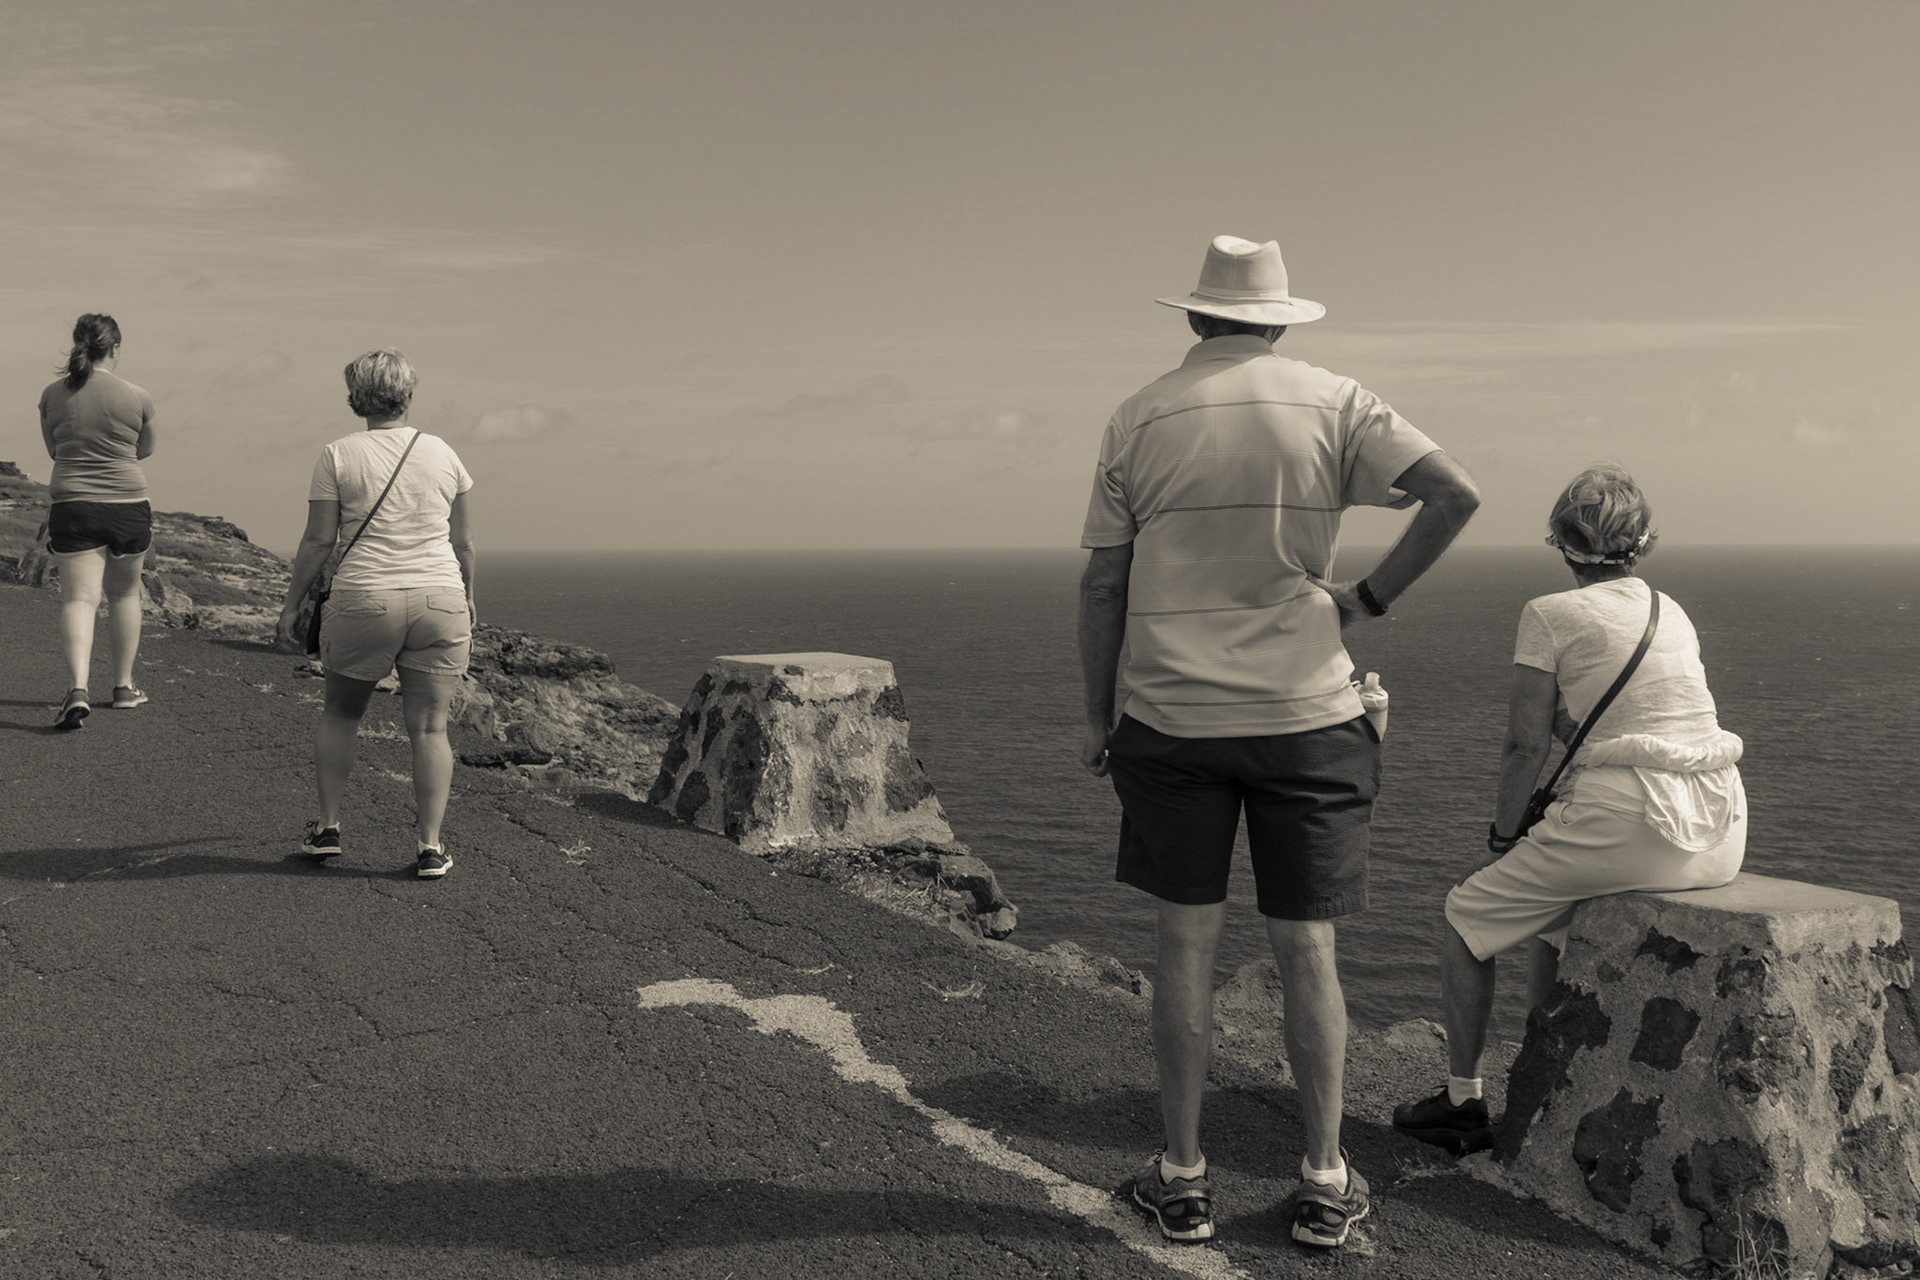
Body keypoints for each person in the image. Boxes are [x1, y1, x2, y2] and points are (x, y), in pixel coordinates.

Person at [1079, 235, 1481, 1249]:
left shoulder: (1139, 415)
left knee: (1185, 945)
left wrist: (1097, 714)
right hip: (1308, 718)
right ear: (1280, 319)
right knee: (1308, 947)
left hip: (1171, 718)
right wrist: (1368, 599)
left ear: (1194, 316)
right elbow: (1454, 493)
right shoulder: (1334, 401)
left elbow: (1104, 582)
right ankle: (1324, 1181)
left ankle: (1182, 1179)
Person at [1391, 465, 1745, 1155]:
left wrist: (1502, 836)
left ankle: (1463, 1102)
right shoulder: (1670, 609)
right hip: (1719, 824)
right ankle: (1543, 1082)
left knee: (1466, 916)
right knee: (1554, 919)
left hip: (1630, 818)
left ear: (1561, 541)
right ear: (1643, 543)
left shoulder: (1550, 614)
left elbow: (1525, 746)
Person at [274, 350, 476, 879]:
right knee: (430, 728)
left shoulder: (338, 454)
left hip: (365, 597)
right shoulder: (443, 452)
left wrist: (292, 606)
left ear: (355, 397)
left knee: (342, 714)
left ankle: (328, 828)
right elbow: (463, 543)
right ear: (408, 393)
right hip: (440, 598)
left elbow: (319, 540)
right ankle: (430, 847)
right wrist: (469, 596)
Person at [40, 313, 159, 729]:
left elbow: (54, 450)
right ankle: (124, 688)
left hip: (72, 505)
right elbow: (145, 449)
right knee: (125, 596)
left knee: (79, 599)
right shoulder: (137, 396)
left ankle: (77, 689)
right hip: (127, 504)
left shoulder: (51, 395)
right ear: (115, 348)